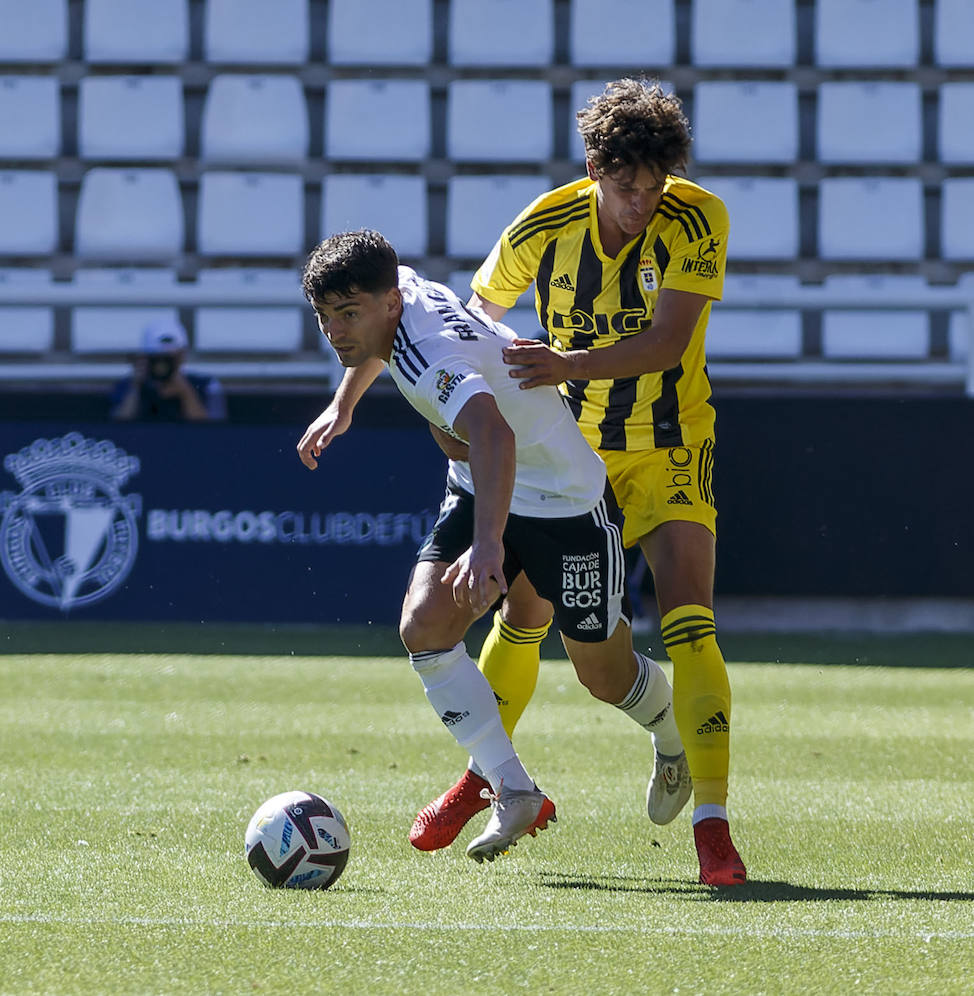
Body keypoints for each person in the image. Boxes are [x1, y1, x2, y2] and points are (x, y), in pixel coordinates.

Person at [298, 78, 746, 886]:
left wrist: (549, 370)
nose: (642, 202)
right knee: (497, 623)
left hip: (660, 444)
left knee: (665, 639)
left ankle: (710, 815)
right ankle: (497, 781)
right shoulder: (543, 223)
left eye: (654, 186)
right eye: (626, 185)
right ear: (594, 168)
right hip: (556, 440)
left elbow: (671, 341)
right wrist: (368, 402)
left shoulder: (696, 217)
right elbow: (467, 316)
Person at [300, 229, 691, 864]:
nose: (336, 331)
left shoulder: (429, 355)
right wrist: (343, 406)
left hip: (566, 502)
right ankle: (514, 790)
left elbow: (493, 433)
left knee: (604, 674)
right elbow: (373, 344)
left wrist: (487, 547)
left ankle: (676, 742)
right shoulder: (399, 295)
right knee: (424, 626)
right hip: (483, 483)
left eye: (348, 314)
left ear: (390, 302)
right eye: (325, 317)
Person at [110, 319, 227, 422]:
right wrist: (136, 387)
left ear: (182, 355)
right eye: (157, 358)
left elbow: (212, 432)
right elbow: (118, 427)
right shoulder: (128, 385)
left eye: (169, 359)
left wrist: (186, 393)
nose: (163, 365)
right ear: (145, 357)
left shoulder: (206, 385)